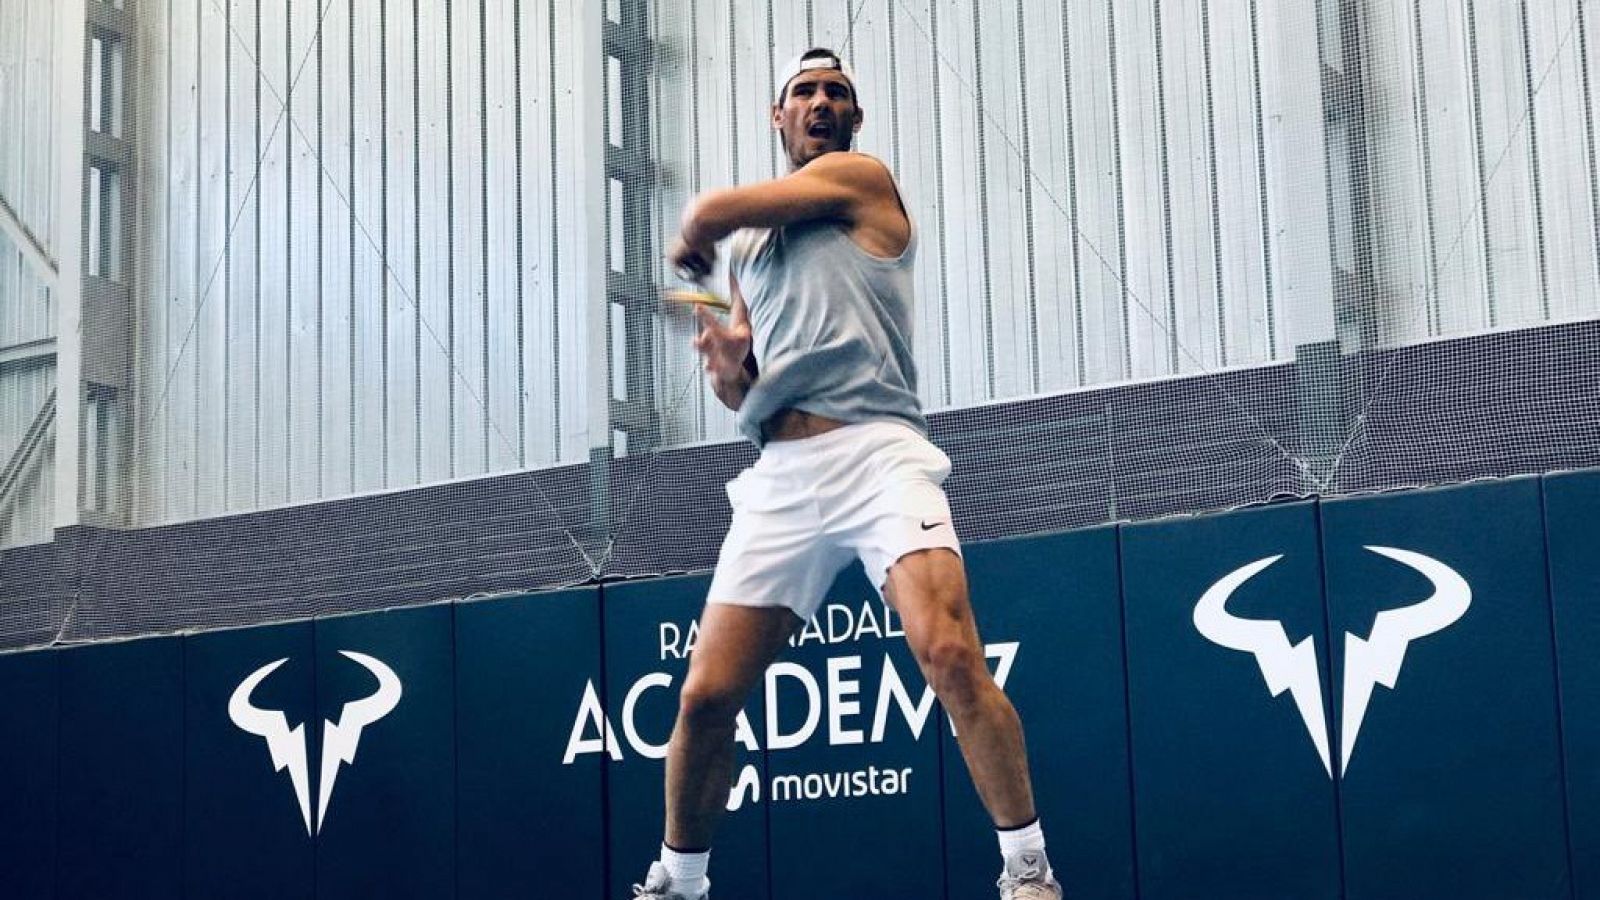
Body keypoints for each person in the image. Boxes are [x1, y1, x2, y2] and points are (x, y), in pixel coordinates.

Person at [633, 47, 1063, 900]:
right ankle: (679, 885)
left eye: (837, 93)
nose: (822, 102)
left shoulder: (864, 181)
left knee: (946, 651)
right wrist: (729, 373)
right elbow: (748, 382)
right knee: (703, 700)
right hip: (781, 476)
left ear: (853, 119)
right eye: (805, 92)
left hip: (880, 456)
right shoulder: (755, 249)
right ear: (778, 115)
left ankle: (1029, 871)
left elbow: (712, 208)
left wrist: (695, 226)